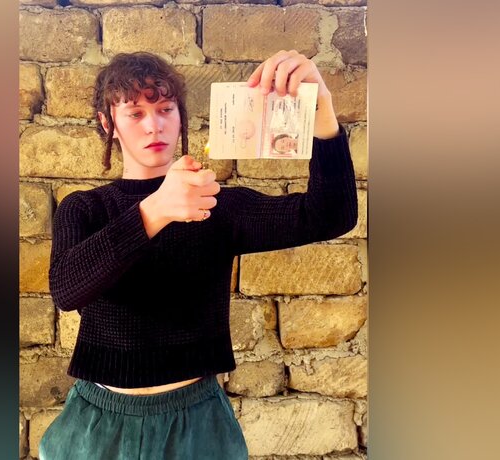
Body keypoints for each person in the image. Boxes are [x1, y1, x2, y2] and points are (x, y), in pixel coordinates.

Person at [39, 50, 359, 460]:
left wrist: (323, 112)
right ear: (108, 123)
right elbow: (66, 290)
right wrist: (154, 210)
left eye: (165, 109)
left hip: (196, 421)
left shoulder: (215, 205)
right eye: (135, 113)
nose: (154, 125)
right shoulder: (85, 208)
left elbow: (330, 215)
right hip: (97, 421)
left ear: (181, 118)